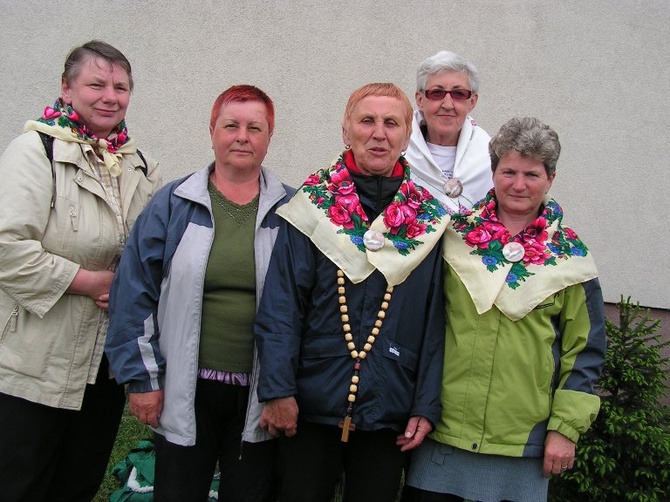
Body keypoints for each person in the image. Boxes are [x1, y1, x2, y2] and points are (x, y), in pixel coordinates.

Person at [255, 83, 449, 502]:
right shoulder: (312, 207)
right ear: (346, 132)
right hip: (310, 402)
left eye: (391, 123)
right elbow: (281, 306)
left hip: (390, 406)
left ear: (407, 135)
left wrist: (425, 406)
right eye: (367, 121)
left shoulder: (430, 222)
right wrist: (277, 390)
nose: (379, 133)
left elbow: (436, 323)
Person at [403, 117, 607, 502]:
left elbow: (585, 352)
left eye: (531, 174)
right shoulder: (453, 237)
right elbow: (421, 324)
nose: (518, 184)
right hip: (443, 435)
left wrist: (565, 428)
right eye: (508, 171)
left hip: (523, 446)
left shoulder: (571, 260)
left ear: (551, 179)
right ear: (493, 172)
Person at [104, 84, 293, 502]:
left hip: (260, 393)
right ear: (212, 131)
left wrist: (286, 389)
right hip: (185, 387)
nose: (242, 136)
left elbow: (306, 306)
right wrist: (142, 381)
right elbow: (134, 294)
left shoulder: (292, 212)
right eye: (231, 125)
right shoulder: (173, 203)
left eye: (254, 128)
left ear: (268, 137)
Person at [0, 40, 161, 501]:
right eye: (96, 84)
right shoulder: (35, 151)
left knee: (77, 482)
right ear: (66, 89)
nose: (110, 96)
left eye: (121, 86)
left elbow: (144, 251)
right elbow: (7, 247)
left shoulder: (135, 162)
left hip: (104, 364)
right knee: (19, 482)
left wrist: (137, 284)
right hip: (36, 359)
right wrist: (91, 281)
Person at [405, 50, 492, 213]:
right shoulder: (398, 149)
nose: (447, 104)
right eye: (437, 93)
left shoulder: (490, 157)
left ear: (472, 102)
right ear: (419, 99)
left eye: (458, 94)